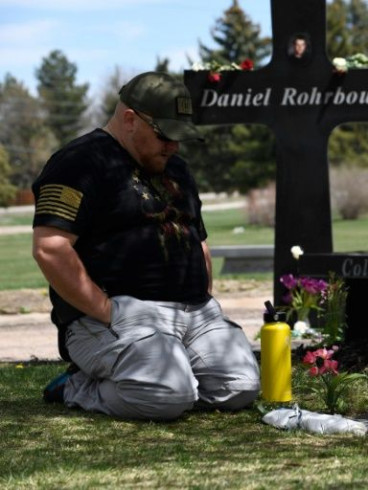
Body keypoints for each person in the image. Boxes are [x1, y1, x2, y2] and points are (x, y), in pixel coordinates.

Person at [32, 71, 260, 421]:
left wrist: (203, 300)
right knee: (169, 395)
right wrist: (108, 311)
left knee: (240, 386)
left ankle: (157, 381)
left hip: (194, 313)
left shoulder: (176, 167)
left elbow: (197, 239)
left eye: (179, 137)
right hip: (116, 317)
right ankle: (77, 386)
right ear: (130, 120)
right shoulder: (79, 163)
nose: (174, 146)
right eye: (165, 135)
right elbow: (51, 247)